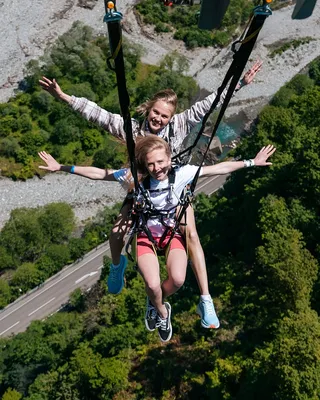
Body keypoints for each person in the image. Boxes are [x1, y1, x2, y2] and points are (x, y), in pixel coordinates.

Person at [39, 60, 262, 329]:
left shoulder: (180, 125)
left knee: (191, 235)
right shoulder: (132, 129)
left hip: (175, 188)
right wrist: (64, 97)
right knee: (116, 234)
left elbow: (210, 105)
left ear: (171, 117)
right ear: (149, 109)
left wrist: (238, 85)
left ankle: (205, 299)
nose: (158, 119)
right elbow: (98, 114)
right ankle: (118, 265)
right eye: (155, 113)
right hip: (140, 189)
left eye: (164, 116)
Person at [38, 136, 276, 341]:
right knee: (152, 285)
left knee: (178, 280)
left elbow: (219, 169)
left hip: (171, 235)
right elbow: (101, 174)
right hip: (145, 237)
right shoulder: (134, 178)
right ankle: (161, 312)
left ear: (169, 158)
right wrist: (62, 167)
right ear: (144, 164)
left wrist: (251, 162)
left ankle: (158, 302)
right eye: (151, 164)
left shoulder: (183, 173)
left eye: (161, 162)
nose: (157, 168)